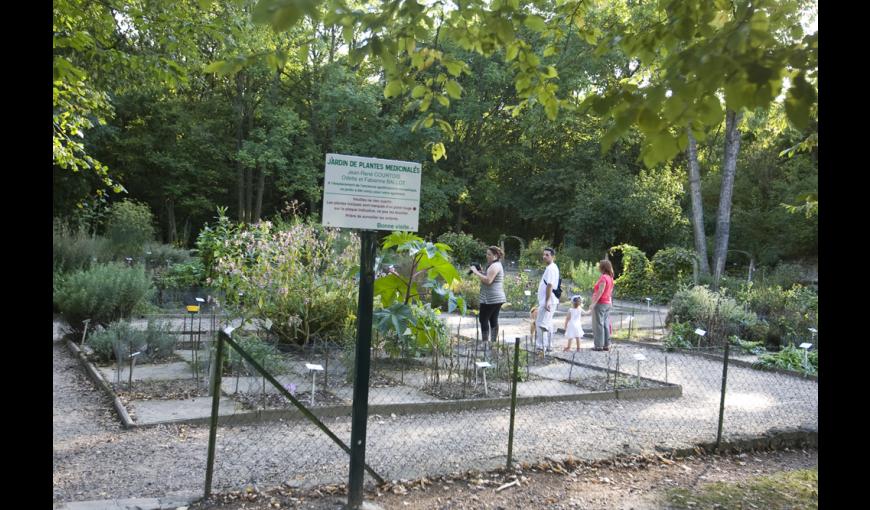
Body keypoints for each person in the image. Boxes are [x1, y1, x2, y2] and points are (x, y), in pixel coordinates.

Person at [469, 246, 506, 343]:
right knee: (493, 319)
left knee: (483, 319)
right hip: (496, 298)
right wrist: (481, 272)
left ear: (496, 255)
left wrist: (476, 272)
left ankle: (485, 343)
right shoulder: (494, 265)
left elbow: (488, 280)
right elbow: (488, 276)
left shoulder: (495, 266)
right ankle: (493, 343)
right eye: (487, 254)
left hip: (491, 299)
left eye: (489, 254)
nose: (487, 256)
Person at [535, 247, 560, 352]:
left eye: (547, 255)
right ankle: (548, 345)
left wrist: (547, 301)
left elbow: (550, 285)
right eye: (544, 254)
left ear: (553, 256)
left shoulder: (551, 268)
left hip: (548, 301)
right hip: (549, 300)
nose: (544, 256)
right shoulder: (552, 267)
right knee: (548, 323)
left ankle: (542, 346)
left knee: (541, 323)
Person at [590, 259, 615, 351]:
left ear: (603, 267)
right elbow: (610, 292)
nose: (598, 267)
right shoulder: (611, 278)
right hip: (607, 303)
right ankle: (606, 345)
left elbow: (600, 291)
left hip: (601, 303)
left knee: (598, 325)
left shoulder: (604, 277)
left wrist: (593, 303)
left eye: (600, 265)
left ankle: (599, 345)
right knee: (605, 324)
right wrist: (610, 301)